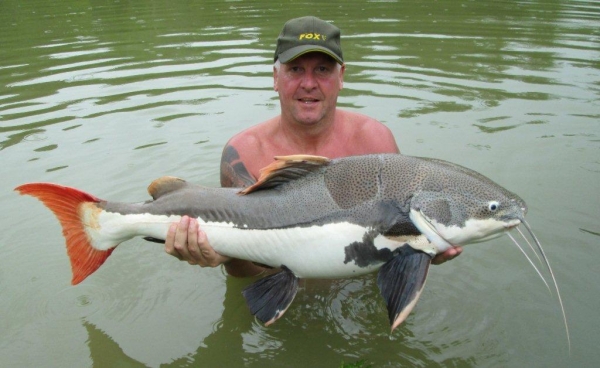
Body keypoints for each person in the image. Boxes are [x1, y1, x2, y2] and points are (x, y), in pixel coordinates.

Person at [164, 16, 462, 277]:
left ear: (341, 77)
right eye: (295, 69)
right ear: (276, 78)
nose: (309, 83)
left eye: (322, 69)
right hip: (284, 306)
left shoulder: (376, 141)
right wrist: (224, 257)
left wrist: (421, 252)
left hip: (358, 295)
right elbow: (245, 274)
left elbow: (400, 238)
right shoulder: (244, 152)